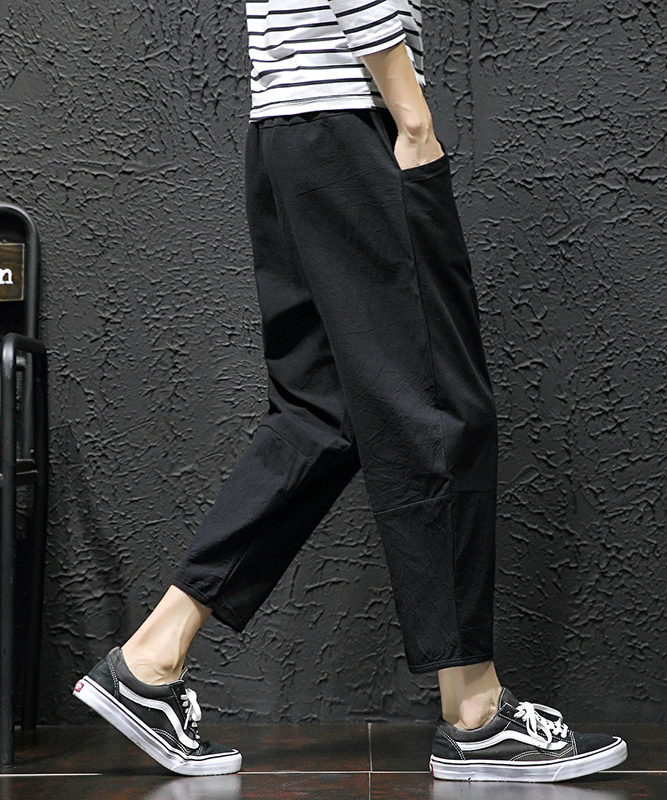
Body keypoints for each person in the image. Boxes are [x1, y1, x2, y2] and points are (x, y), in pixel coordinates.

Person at [73, 0, 627, 782]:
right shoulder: (384, 116)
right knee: (438, 407)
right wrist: (412, 116)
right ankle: (474, 712)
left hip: (287, 134)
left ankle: (150, 660)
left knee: (320, 417)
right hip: (354, 123)